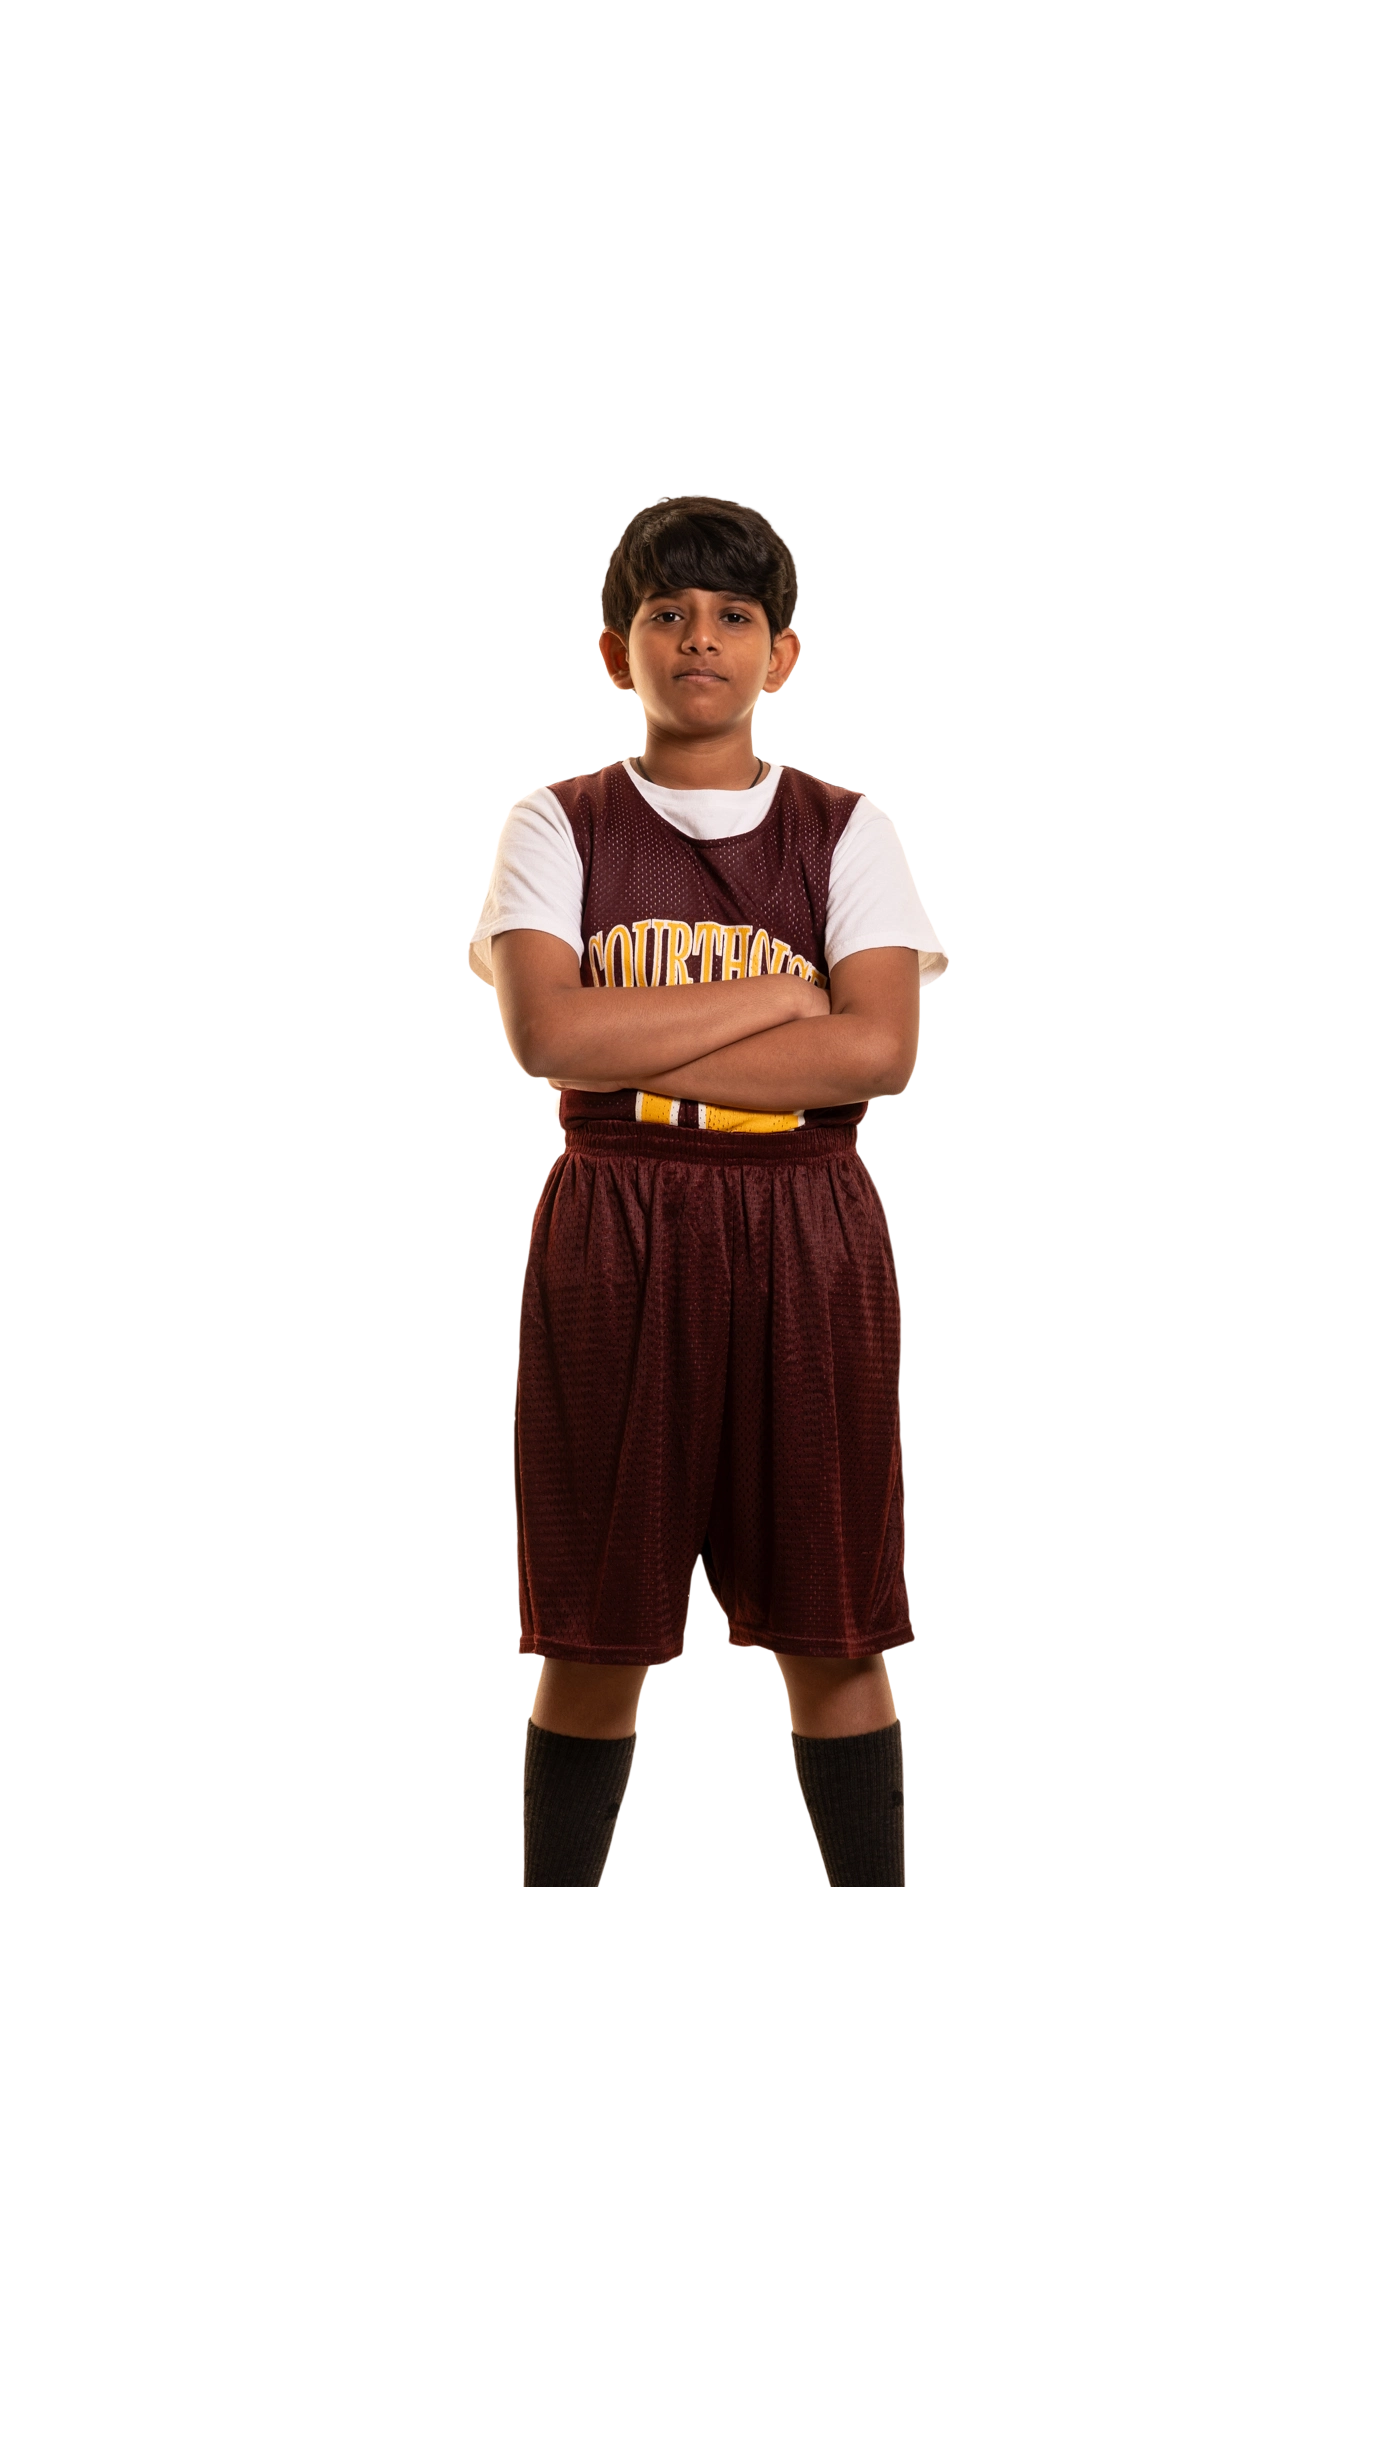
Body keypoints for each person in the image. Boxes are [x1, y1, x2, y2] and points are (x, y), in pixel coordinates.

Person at [468, 494, 947, 1884]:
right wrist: (781, 993)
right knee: (593, 1627)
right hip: (615, 1227)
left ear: (779, 655)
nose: (699, 638)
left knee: (835, 1624)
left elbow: (880, 1050)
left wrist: (644, 1035)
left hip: (808, 1225)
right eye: (667, 612)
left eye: (735, 615)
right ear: (614, 649)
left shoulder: (845, 831)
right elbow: (548, 1035)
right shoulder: (557, 823)